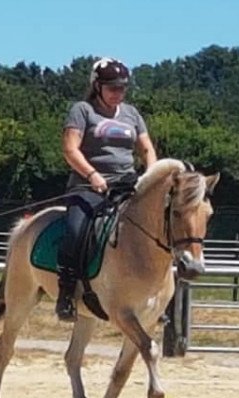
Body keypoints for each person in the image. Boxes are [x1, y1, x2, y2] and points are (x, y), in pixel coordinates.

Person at [56, 57, 157, 321]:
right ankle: (66, 292)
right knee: (76, 230)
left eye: (122, 88)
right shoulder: (82, 110)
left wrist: (151, 175)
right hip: (88, 185)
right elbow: (70, 149)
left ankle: (153, 295)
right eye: (112, 87)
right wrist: (92, 174)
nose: (118, 93)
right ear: (97, 86)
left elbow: (146, 148)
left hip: (127, 184)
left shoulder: (132, 114)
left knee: (156, 228)